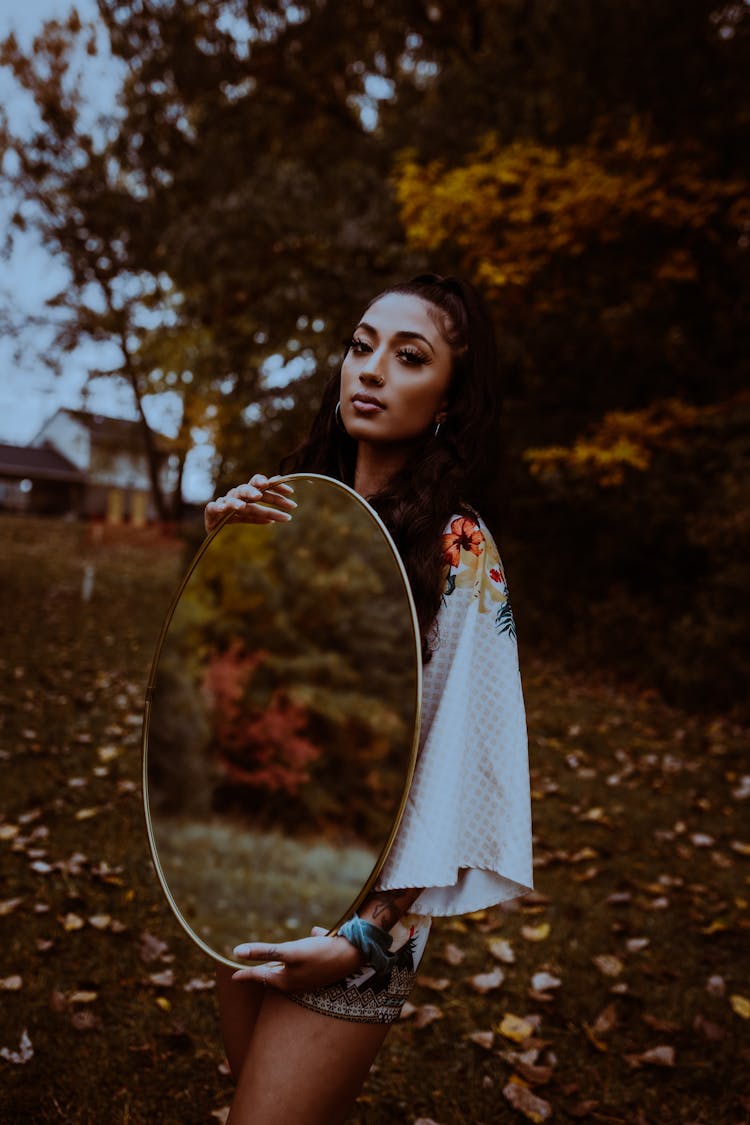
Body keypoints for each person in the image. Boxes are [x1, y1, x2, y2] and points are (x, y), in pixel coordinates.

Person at [203, 274, 533, 1125]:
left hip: (365, 915)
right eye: (360, 346)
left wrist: (366, 936)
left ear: (448, 403)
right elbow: (226, 702)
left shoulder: (461, 548)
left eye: (408, 355)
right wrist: (220, 565)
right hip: (257, 872)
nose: (372, 370)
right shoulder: (290, 510)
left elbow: (461, 763)